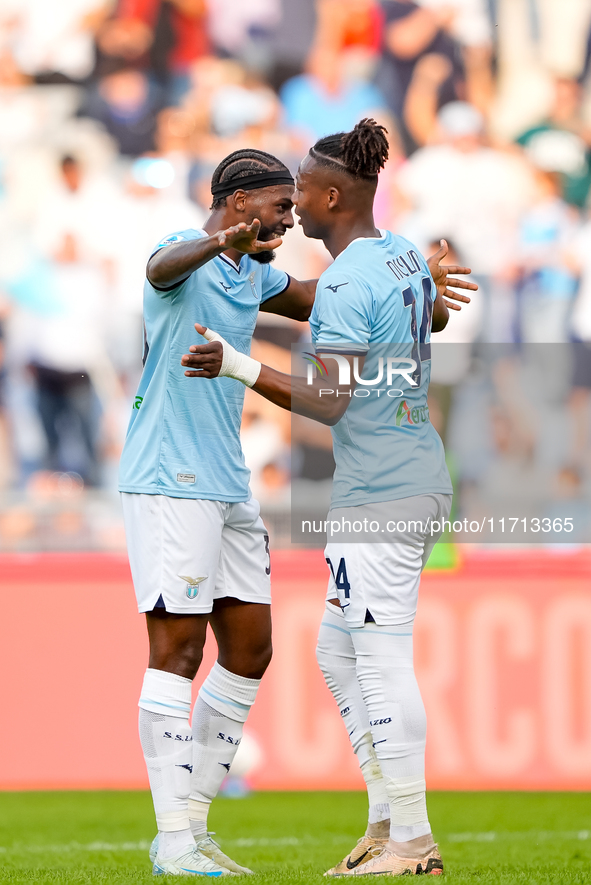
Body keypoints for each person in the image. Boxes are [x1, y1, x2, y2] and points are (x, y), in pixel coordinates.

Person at [181, 119, 475, 876]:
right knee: (338, 653)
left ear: (334, 194)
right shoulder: (402, 252)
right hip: (402, 477)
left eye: (303, 191)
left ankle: (412, 839)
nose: (295, 205)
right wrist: (421, 299)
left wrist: (237, 368)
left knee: (378, 658)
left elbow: (330, 399)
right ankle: (384, 822)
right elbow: (433, 316)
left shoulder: (347, 277)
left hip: (385, 489)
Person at [118, 147, 318, 877]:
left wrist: (404, 281)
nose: (289, 218)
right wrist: (217, 244)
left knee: (249, 648)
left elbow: (316, 299)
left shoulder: (253, 272)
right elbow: (160, 270)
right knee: (176, 650)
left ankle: (194, 827)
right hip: (167, 476)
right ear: (238, 205)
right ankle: (172, 837)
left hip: (227, 480)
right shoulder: (185, 252)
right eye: (279, 206)